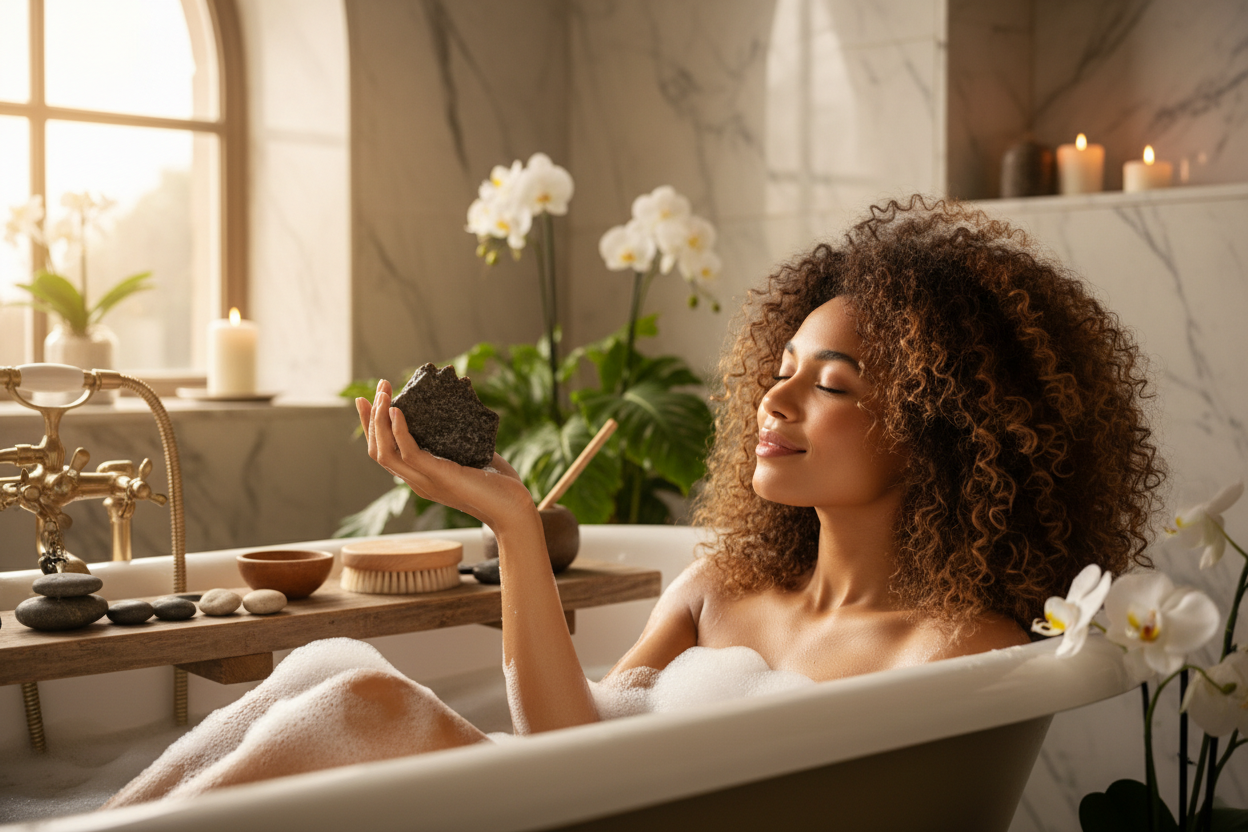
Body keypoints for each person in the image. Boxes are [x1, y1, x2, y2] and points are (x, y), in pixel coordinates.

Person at [105, 196, 1163, 806]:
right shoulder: (723, 586)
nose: (777, 397)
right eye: (782, 366)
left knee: (361, 699)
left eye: (833, 384)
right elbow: (573, 751)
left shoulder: (962, 648)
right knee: (334, 671)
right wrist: (513, 523)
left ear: (940, 433)